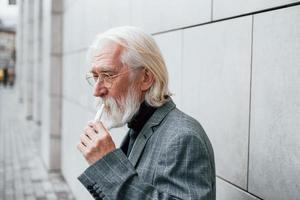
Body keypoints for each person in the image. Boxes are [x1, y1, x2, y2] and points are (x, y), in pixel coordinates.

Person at [77, 26, 216, 200]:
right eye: (96, 76)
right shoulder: (139, 125)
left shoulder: (183, 137)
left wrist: (107, 164)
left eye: (108, 75)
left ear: (145, 78)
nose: (96, 91)